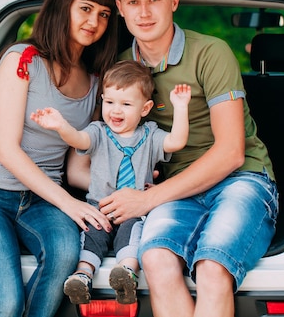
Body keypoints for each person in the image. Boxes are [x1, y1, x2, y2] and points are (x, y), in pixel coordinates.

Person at [97, 0, 279, 317]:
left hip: (241, 181)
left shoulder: (211, 52)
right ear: (120, 8)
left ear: (174, 1)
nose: (144, 12)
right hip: (178, 189)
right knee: (156, 260)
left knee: (212, 266)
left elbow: (231, 153)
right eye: (133, 2)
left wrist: (143, 201)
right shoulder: (119, 69)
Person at [0, 0, 120, 317]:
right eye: (85, 8)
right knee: (8, 303)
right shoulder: (22, 59)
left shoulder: (94, 84)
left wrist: (127, 190)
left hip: (40, 200)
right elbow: (7, 152)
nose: (94, 20)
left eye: (104, 14)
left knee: (62, 254)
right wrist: (71, 206)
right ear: (63, 6)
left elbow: (75, 171)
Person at [31, 60, 191, 305]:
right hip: (99, 207)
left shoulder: (150, 135)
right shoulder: (98, 132)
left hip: (133, 210)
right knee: (91, 236)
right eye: (110, 102)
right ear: (103, 100)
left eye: (126, 104)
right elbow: (79, 139)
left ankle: (126, 274)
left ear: (145, 108)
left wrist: (181, 108)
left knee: (132, 234)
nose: (116, 111)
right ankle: (82, 276)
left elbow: (177, 141)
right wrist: (61, 126)